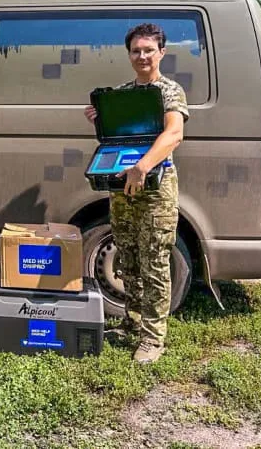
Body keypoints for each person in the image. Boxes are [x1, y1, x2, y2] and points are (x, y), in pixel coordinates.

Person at [84, 22, 188, 364]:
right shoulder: (123, 93)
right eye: (136, 51)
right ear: (129, 54)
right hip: (124, 189)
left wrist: (142, 167)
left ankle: (153, 338)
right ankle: (132, 322)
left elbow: (173, 134)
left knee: (154, 261)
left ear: (162, 52)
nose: (142, 56)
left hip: (156, 190)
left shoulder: (169, 91)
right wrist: (100, 118)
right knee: (127, 258)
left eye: (148, 50)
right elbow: (118, 136)